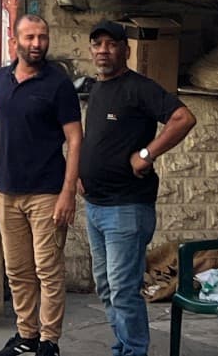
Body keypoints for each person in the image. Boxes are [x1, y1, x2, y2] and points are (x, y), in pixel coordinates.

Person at [81, 21, 197, 356]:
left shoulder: (139, 87)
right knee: (106, 287)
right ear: (91, 50)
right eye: (97, 43)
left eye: (111, 44)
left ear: (125, 50)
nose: (104, 50)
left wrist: (147, 154)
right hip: (95, 206)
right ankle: (124, 347)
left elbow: (183, 118)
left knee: (123, 289)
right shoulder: (97, 89)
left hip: (126, 208)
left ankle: (133, 351)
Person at [0, 15, 83, 356]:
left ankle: (48, 341)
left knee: (48, 270)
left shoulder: (58, 84)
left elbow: (75, 138)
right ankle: (26, 335)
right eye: (30, 37)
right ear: (16, 41)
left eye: (42, 37)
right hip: (7, 191)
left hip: (46, 193)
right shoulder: (1, 80)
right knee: (18, 270)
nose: (37, 43)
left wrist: (68, 192)